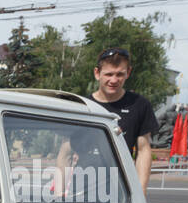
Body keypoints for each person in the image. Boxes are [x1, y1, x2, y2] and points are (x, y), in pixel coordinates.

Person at [63, 47, 159, 192]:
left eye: (120, 74)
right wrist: (60, 190)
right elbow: (65, 152)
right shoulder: (81, 106)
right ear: (97, 73)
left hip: (121, 190)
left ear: (128, 73)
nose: (114, 80)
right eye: (108, 74)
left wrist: (141, 192)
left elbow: (144, 150)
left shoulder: (140, 105)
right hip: (81, 186)